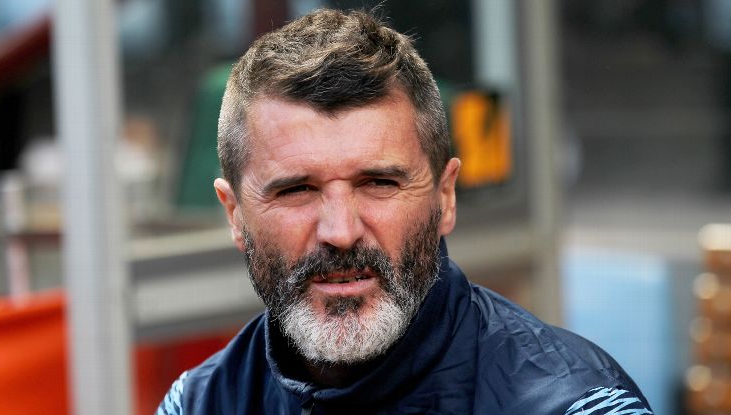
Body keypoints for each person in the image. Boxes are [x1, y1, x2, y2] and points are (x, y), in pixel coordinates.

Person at [158, 8, 653, 415]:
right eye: (297, 190)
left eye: (379, 183)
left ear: (445, 197)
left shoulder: (575, 406)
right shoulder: (198, 404)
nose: (341, 232)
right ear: (235, 215)